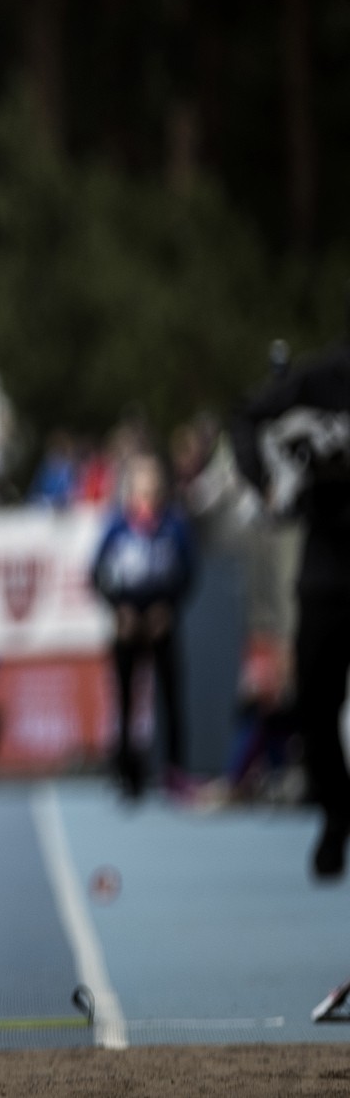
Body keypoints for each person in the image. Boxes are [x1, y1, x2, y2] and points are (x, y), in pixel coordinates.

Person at [232, 305, 350, 878]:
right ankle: (335, 815)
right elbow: (245, 417)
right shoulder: (318, 379)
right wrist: (267, 482)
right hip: (327, 571)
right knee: (315, 707)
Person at [89, 454, 196, 802]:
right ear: (130, 489)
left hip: (162, 619)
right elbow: (97, 574)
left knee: (170, 698)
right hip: (127, 620)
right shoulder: (116, 526)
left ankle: (174, 771)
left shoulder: (174, 524)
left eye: (153, 485)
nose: (148, 493)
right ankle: (127, 775)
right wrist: (118, 609)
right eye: (141, 485)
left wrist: (169, 608)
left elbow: (188, 572)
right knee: (125, 700)